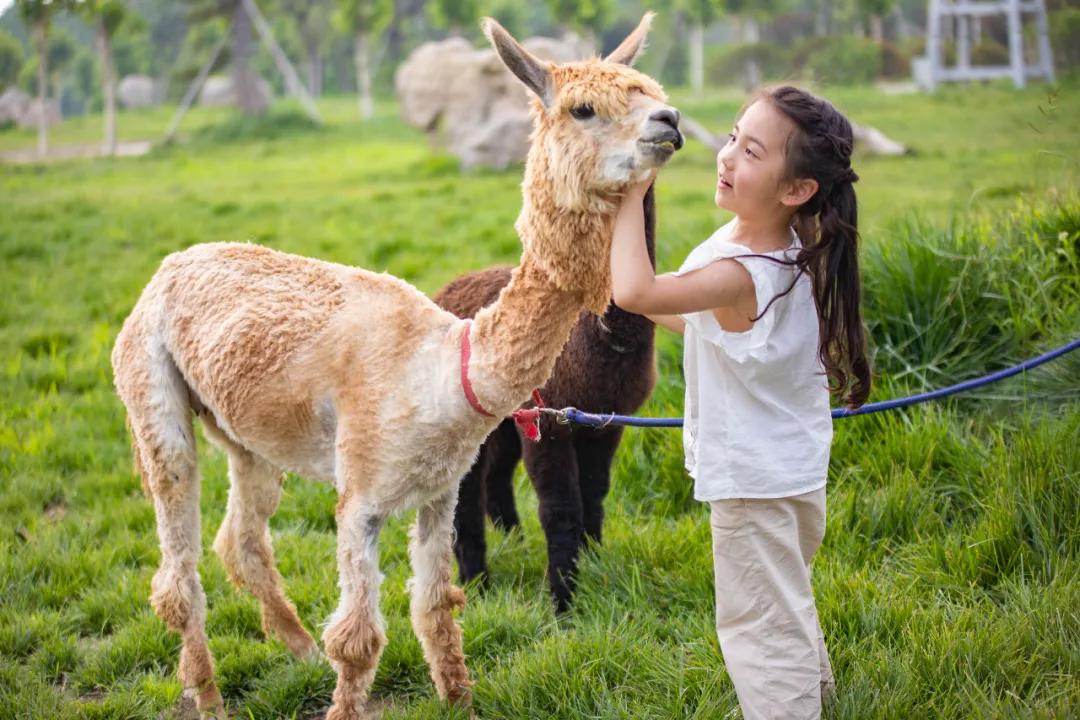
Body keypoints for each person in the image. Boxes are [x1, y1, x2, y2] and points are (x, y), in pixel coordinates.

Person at [610, 85, 871, 719]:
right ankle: (817, 697)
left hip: (752, 484)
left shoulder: (740, 268)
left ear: (796, 189)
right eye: (732, 137)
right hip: (793, 471)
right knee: (784, 596)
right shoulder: (793, 251)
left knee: (758, 623)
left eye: (751, 152)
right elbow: (713, 325)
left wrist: (629, 198)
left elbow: (636, 292)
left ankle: (787, 709)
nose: (727, 156)